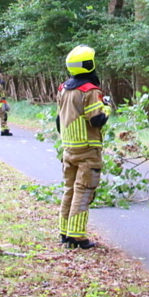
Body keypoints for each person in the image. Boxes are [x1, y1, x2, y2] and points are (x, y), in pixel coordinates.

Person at [56, 45, 112, 249]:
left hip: (68, 149)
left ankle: (64, 232)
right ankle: (77, 236)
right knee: (84, 190)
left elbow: (58, 120)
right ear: (90, 65)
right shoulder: (90, 91)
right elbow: (97, 120)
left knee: (69, 190)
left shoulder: (63, 89)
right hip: (88, 150)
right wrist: (107, 107)